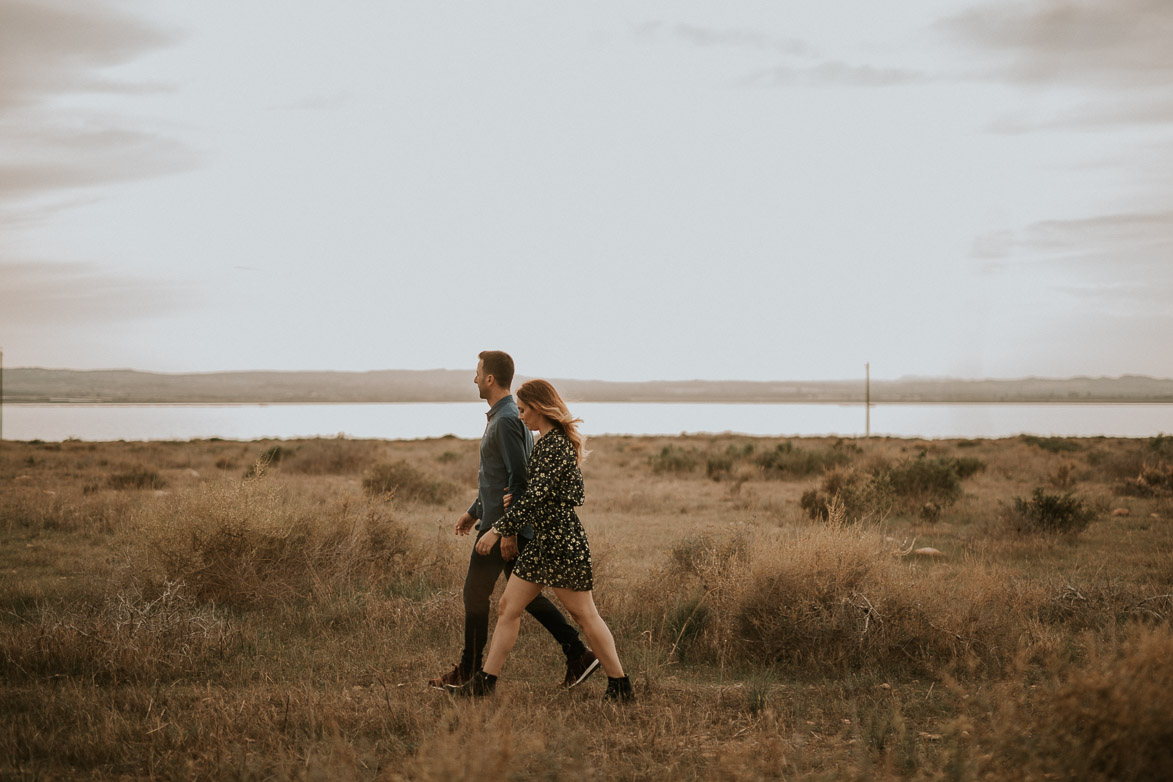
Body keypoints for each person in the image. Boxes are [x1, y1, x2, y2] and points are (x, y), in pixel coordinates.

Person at [453, 379, 634, 701]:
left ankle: (620, 685)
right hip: (542, 542)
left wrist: (497, 529)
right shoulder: (545, 444)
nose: (520, 417)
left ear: (538, 408)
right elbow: (538, 496)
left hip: (562, 542)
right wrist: (511, 506)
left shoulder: (557, 445)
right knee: (508, 607)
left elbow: (537, 497)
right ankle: (485, 683)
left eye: (523, 410)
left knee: (585, 615)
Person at [428, 352, 599, 690]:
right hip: (495, 521)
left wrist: (508, 531)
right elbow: (496, 478)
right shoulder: (505, 416)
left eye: (477, 373)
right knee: (523, 599)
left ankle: (472, 671)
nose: (474, 379)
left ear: (490, 378)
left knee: (477, 595)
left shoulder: (507, 419)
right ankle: (577, 653)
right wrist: (474, 510)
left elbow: (519, 478)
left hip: (503, 528)